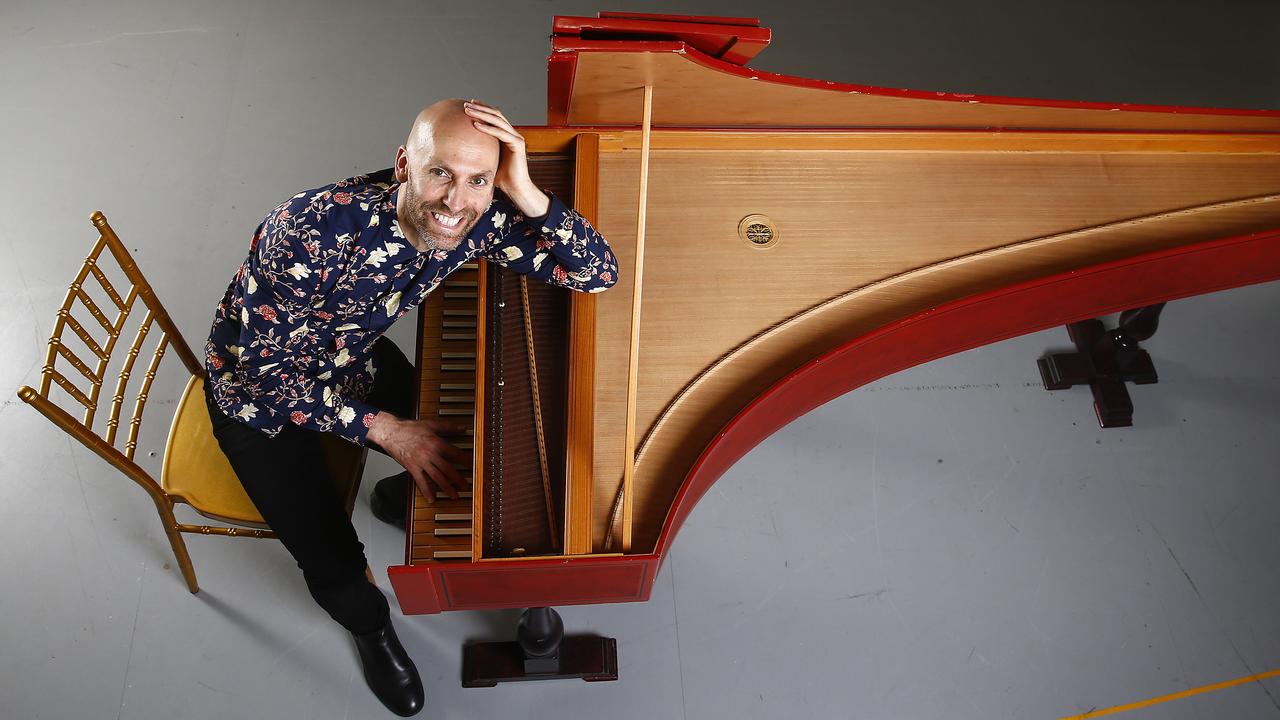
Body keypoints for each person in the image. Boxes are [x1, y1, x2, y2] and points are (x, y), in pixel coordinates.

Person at [202, 98, 618, 716]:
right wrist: (386, 431)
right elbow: (265, 380)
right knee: (332, 556)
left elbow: (596, 272)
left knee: (460, 422)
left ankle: (393, 496)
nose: (455, 202)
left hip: (350, 363)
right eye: (441, 173)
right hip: (257, 400)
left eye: (479, 179)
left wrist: (524, 189)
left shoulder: (476, 219)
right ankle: (371, 630)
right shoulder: (308, 231)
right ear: (405, 165)